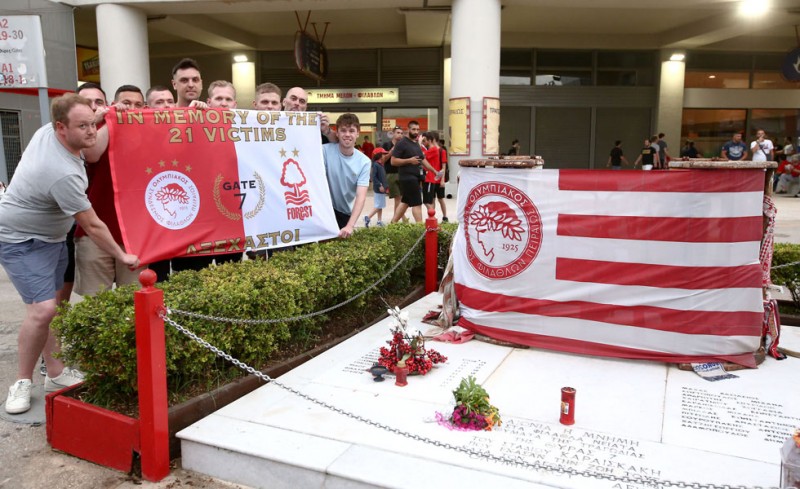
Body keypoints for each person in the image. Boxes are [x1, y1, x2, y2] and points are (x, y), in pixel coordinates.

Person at [0, 94, 139, 414]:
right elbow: (92, 224)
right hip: (21, 241)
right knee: (43, 311)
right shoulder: (63, 172)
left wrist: (102, 115)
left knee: (51, 311)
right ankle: (22, 381)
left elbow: (89, 123)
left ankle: (55, 373)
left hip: (52, 237)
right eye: (83, 126)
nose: (92, 131)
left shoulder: (45, 132)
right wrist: (122, 256)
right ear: (61, 127)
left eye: (93, 123)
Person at [74, 84, 147, 297]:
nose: (132, 108)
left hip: (134, 234)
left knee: (133, 300)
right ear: (113, 105)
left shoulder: (147, 133)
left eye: (138, 105)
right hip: (94, 232)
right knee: (95, 304)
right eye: (126, 103)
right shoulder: (95, 129)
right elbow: (92, 155)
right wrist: (112, 120)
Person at [322, 113, 370, 237]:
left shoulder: (364, 162)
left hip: (344, 213)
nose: (347, 134)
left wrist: (350, 225)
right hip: (324, 210)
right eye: (343, 130)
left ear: (358, 133)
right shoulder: (324, 150)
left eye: (352, 131)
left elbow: (361, 196)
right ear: (337, 133)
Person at [390, 120, 438, 223]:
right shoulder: (402, 143)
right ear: (408, 129)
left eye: (417, 129)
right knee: (417, 203)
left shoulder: (416, 143)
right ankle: (420, 227)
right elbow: (393, 161)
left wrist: (434, 171)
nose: (416, 132)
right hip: (408, 178)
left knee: (405, 202)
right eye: (413, 129)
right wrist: (409, 160)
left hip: (416, 177)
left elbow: (422, 160)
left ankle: (392, 224)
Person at [421, 131, 448, 222]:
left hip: (438, 178)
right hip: (432, 178)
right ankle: (432, 217)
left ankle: (445, 216)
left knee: (440, 199)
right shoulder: (430, 150)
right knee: (432, 199)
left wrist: (442, 180)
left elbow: (443, 166)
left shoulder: (441, 151)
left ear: (432, 139)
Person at [381, 126, 405, 218]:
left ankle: (400, 218)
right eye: (398, 133)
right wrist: (391, 152)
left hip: (402, 173)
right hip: (391, 174)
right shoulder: (386, 145)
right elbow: (382, 160)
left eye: (401, 133)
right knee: (397, 198)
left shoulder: (403, 146)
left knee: (402, 198)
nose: (400, 135)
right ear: (393, 134)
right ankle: (396, 220)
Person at [364, 147, 389, 228]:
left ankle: (379, 221)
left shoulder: (381, 165)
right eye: (383, 154)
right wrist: (380, 185)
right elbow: (373, 177)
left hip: (382, 189)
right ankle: (367, 217)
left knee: (380, 205)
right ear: (378, 155)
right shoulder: (376, 165)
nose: (384, 156)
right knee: (378, 206)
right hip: (379, 189)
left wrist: (386, 186)